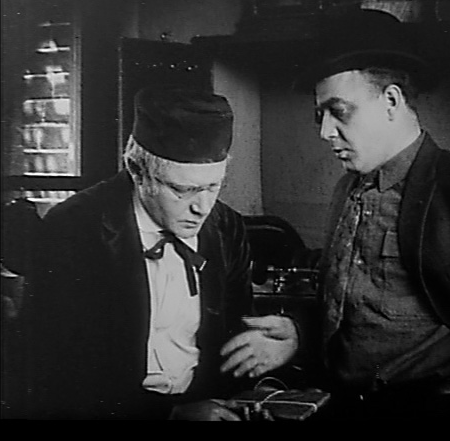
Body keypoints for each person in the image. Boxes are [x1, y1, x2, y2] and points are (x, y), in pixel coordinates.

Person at [297, 8, 450, 420]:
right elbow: (350, 312)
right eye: (319, 115)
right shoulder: (346, 189)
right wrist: (299, 334)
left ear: (392, 101)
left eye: (338, 111)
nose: (325, 131)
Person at [25, 86, 298, 420]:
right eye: (183, 190)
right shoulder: (72, 229)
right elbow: (56, 372)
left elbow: (235, 342)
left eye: (213, 187)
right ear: (137, 171)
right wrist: (171, 414)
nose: (202, 208)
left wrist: (276, 351)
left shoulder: (226, 227)